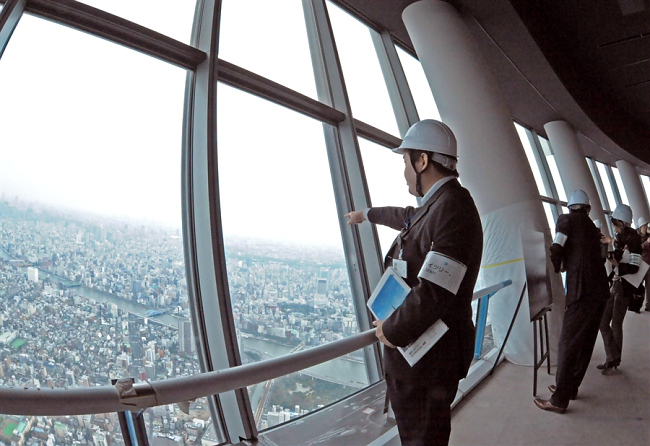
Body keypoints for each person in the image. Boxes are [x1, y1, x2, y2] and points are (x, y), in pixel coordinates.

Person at [345, 119, 482, 445]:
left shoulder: (453, 208)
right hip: (422, 359)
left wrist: (390, 331)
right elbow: (406, 216)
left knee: (423, 439)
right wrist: (367, 214)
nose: (404, 172)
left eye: (405, 162)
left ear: (422, 161)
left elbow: (435, 290)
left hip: (428, 362)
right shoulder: (438, 205)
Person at [533, 190, 610, 414]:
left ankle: (559, 400)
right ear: (587, 208)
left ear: (570, 207)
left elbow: (557, 246)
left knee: (568, 343)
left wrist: (558, 266)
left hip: (581, 293)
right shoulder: (592, 228)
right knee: (585, 344)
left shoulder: (566, 220)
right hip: (599, 294)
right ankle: (570, 388)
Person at [597, 204, 642, 374]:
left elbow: (635, 267)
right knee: (603, 320)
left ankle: (613, 359)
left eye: (615, 223)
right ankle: (613, 357)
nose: (614, 227)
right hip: (618, 283)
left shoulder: (634, 240)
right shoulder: (623, 238)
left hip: (626, 286)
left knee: (615, 322)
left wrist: (617, 264)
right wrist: (612, 244)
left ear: (622, 223)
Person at [635, 216, 650, 312]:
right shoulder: (636, 237)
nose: (646, 227)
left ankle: (648, 305)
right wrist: (646, 243)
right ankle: (636, 305)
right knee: (639, 285)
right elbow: (638, 248)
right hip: (641, 263)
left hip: (648, 263)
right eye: (644, 226)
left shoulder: (648, 235)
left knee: (649, 286)